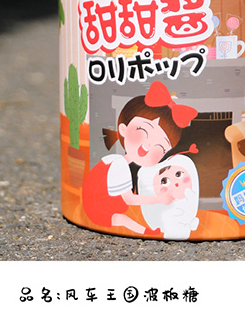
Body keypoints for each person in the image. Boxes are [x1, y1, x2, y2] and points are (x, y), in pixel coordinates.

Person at [82, 80, 197, 235]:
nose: (148, 145)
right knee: (122, 219)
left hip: (96, 208)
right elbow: (129, 199)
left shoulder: (114, 160)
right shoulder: (119, 165)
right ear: (123, 129)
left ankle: (148, 231)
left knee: (123, 218)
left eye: (160, 147)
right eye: (143, 131)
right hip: (98, 211)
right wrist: (159, 199)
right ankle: (147, 232)